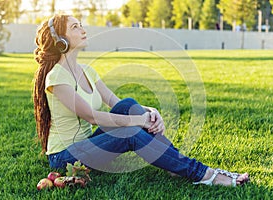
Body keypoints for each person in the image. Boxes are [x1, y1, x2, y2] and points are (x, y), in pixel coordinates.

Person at [33, 14, 249, 187]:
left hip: (88, 147)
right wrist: (140, 122)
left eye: (81, 25)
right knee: (131, 133)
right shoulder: (56, 77)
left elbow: (116, 103)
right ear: (60, 41)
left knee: (127, 104)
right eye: (74, 27)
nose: (83, 30)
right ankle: (202, 173)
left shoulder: (87, 71)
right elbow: (92, 117)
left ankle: (173, 164)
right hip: (66, 158)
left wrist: (148, 111)